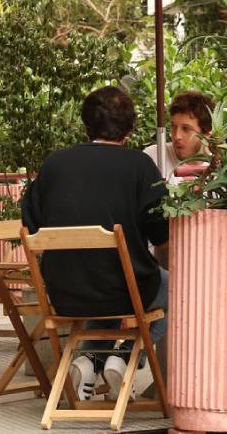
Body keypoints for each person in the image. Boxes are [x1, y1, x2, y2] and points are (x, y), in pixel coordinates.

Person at [22, 86, 169, 401]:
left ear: (86, 125)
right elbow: (161, 234)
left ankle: (88, 359)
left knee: (112, 280)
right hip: (123, 289)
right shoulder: (140, 166)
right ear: (129, 130)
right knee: (173, 285)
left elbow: (31, 226)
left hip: (63, 294)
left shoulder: (53, 165)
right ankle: (126, 355)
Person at [143, 90, 215, 184]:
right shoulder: (154, 156)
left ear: (206, 134)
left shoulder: (220, 170)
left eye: (186, 129)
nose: (177, 136)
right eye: (173, 126)